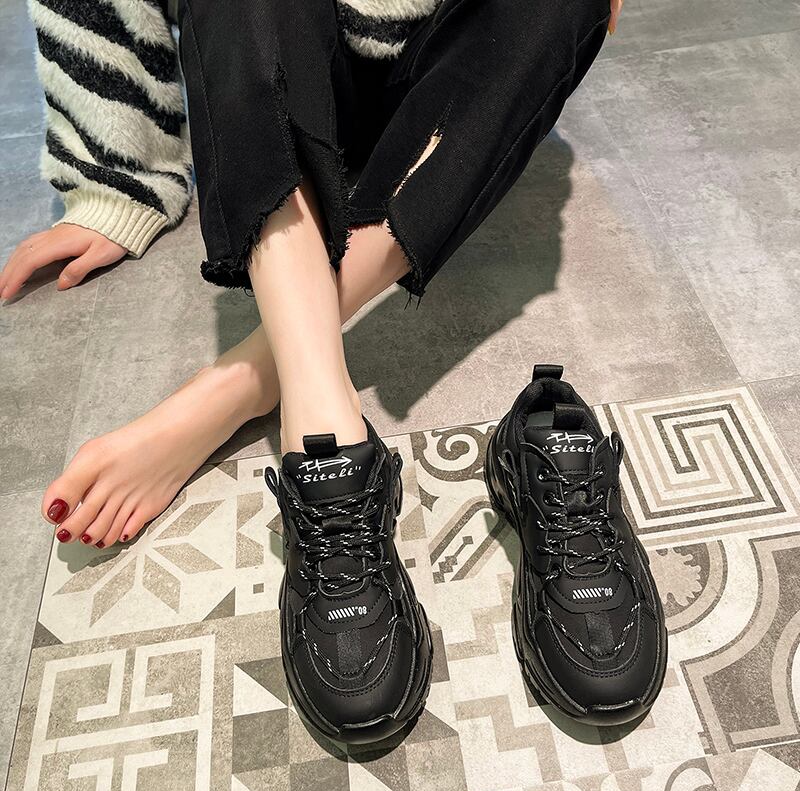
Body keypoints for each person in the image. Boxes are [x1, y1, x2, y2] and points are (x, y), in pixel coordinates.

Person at [18, 0, 626, 742]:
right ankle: (310, 395)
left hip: (442, 95)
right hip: (273, 76)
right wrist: (114, 175)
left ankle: (241, 383)